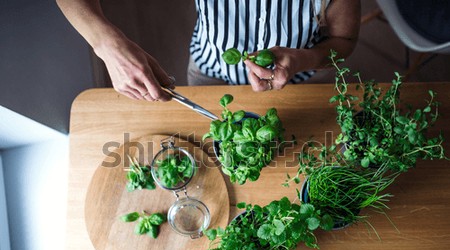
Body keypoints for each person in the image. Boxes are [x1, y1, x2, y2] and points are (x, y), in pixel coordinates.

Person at [56, 0, 360, 101]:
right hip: (210, 68)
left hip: (300, 79)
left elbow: (344, 41)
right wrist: (109, 46)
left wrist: (305, 59)